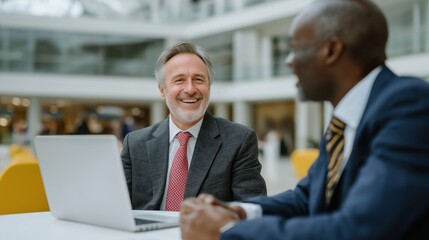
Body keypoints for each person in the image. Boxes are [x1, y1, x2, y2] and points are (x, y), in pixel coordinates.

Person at [179, 0, 429, 239]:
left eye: (296, 48)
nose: (288, 61)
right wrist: (238, 211)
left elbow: (363, 228)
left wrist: (225, 231)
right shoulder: (342, 122)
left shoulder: (408, 105)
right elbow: (308, 197)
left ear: (331, 51)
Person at [121, 42, 267, 211]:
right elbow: (116, 206)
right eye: (179, 80)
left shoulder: (239, 140)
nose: (190, 89)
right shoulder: (135, 144)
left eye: (198, 80)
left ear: (209, 87)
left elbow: (251, 210)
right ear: (162, 90)